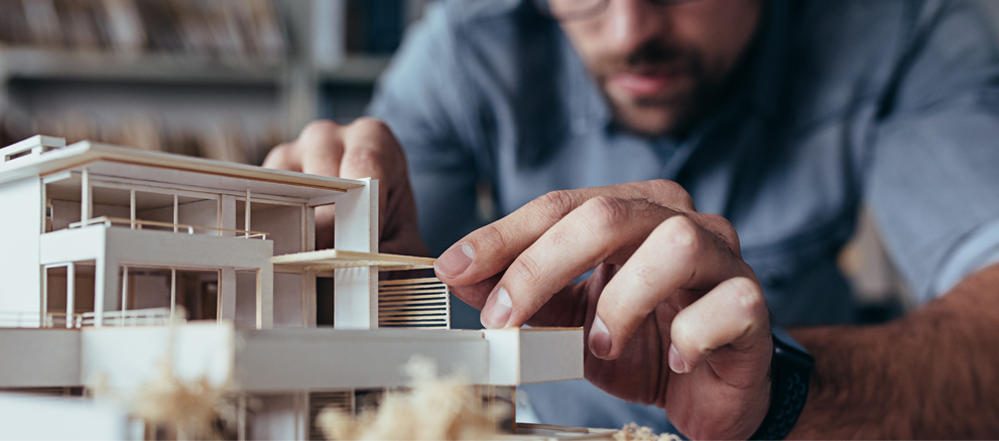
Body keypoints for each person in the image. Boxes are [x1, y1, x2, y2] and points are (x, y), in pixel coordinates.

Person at [263, 0, 999, 437]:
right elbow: (403, 301)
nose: (629, 30)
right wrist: (355, 283)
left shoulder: (902, 28)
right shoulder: (466, 42)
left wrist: (775, 397)